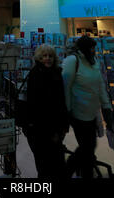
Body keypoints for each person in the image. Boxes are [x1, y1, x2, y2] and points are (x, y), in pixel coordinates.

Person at [62, 35, 113, 179]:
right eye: (90, 48)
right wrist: (67, 111)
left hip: (92, 113)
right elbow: (65, 87)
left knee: (89, 147)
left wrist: (106, 106)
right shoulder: (73, 61)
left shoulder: (94, 61)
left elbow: (100, 84)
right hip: (77, 114)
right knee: (88, 146)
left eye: (94, 48)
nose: (93, 51)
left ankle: (82, 171)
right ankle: (71, 171)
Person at [26, 44, 69, 179]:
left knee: (56, 162)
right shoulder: (35, 74)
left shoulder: (57, 73)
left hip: (55, 125)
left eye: (50, 56)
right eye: (44, 56)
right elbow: (35, 103)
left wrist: (63, 125)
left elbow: (61, 100)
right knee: (44, 165)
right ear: (39, 57)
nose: (47, 59)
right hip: (41, 128)